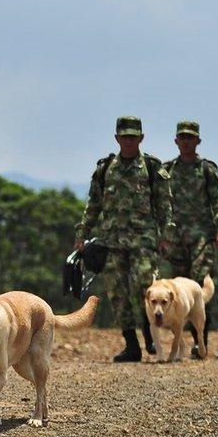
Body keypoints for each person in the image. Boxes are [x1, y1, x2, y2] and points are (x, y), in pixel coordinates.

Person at [75, 116, 174, 362]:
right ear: (117, 138)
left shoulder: (152, 167)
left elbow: (164, 206)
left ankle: (150, 337)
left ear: (141, 138)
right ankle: (132, 345)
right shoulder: (105, 169)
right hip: (112, 242)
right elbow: (93, 205)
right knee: (117, 293)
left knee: (144, 288)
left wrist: (165, 237)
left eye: (133, 136)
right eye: (124, 136)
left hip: (143, 241)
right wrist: (82, 235)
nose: (128, 141)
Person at [163, 120, 218, 357]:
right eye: (182, 137)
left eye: (190, 138)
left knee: (199, 286)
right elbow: (160, 202)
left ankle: (199, 341)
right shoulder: (168, 170)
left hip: (202, 237)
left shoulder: (206, 170)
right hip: (175, 239)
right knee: (179, 291)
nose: (186, 141)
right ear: (176, 141)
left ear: (198, 141)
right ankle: (180, 341)